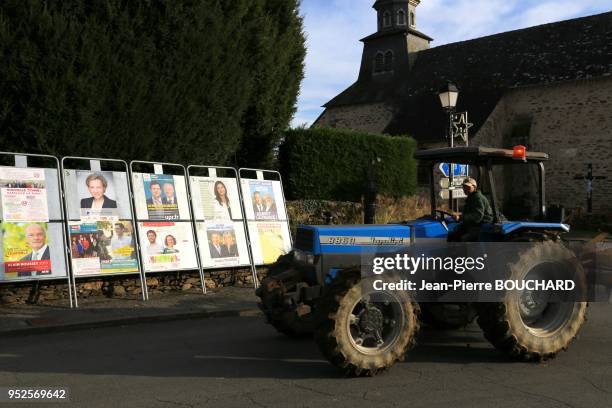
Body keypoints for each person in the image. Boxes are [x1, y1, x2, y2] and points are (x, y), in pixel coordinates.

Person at [449, 177, 494, 242]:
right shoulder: (471, 197)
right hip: (473, 223)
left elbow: (477, 216)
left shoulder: (477, 198)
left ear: (474, 187)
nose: (465, 189)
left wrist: (461, 217)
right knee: (453, 233)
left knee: (463, 239)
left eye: (468, 187)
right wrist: (458, 214)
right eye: (464, 187)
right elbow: (470, 211)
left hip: (481, 225)